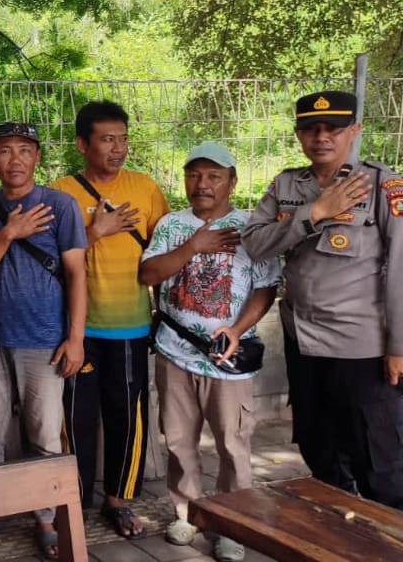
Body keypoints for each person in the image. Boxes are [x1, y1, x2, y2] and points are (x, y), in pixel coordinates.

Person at [242, 91, 403, 509]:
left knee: (380, 462)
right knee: (320, 451)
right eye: (311, 129)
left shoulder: (383, 185)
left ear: (355, 132)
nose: (322, 137)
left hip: (362, 348)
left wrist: (399, 347)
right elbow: (255, 244)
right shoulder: (287, 185)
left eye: (333, 128)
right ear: (299, 135)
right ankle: (337, 540)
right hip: (304, 343)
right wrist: (314, 212)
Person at [139, 143, 281, 561]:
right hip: (175, 353)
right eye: (194, 175)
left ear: (232, 182)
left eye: (214, 176)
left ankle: (234, 525)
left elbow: (266, 286)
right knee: (179, 440)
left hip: (228, 359)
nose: (203, 184)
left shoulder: (251, 227)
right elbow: (148, 274)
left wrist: (237, 330)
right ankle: (187, 512)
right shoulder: (169, 225)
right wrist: (194, 247)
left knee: (233, 444)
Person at [0, 122, 87, 560]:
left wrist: (76, 338)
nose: (15, 160)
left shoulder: (60, 206)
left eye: (24, 150)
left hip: (45, 339)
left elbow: (76, 274)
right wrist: (8, 234)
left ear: (37, 157)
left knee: (45, 433)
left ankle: (46, 514)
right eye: (5, 151)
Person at [50, 100, 169, 539]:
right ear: (83, 144)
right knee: (76, 420)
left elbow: (163, 250)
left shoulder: (145, 187)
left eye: (122, 139)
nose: (117, 149)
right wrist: (95, 231)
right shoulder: (61, 191)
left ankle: (117, 500)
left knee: (127, 416)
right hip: (77, 330)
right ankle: (74, 502)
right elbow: (47, 257)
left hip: (132, 326)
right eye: (106, 140)